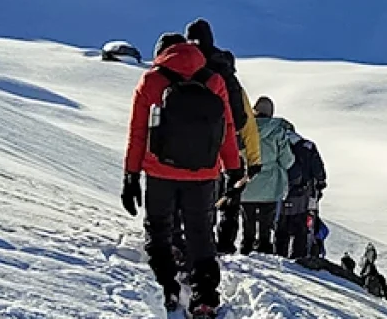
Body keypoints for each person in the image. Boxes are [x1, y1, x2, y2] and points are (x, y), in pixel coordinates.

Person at [121, 33, 242, 318]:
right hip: (203, 174)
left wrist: (131, 177)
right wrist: (234, 169)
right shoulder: (213, 80)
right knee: (201, 234)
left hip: (159, 171)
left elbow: (138, 133)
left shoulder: (151, 81)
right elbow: (225, 130)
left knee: (159, 230)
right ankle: (205, 299)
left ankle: (168, 286)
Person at [185, 19, 263, 255]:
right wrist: (254, 159)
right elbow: (247, 122)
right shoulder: (231, 80)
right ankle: (226, 244)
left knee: (199, 194)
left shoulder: (185, 70)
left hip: (193, 146)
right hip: (231, 149)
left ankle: (198, 237)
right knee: (230, 199)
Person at [238, 96, 295, 255]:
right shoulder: (278, 131)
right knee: (266, 224)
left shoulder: (244, 129)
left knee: (247, 222)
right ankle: (264, 249)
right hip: (271, 186)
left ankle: (246, 248)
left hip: (247, 182)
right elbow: (287, 160)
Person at [275, 119, 327, 259]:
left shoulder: (274, 143)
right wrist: (320, 184)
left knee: (280, 230)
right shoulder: (307, 146)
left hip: (278, 194)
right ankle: (299, 260)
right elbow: (319, 172)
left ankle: (279, 257)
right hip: (303, 196)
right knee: (301, 230)